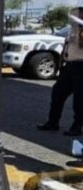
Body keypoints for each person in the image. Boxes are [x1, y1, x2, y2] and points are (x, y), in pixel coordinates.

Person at [38, 7, 83, 136]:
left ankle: (77, 126)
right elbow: (66, 46)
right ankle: (53, 122)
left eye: (75, 15)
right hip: (69, 66)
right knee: (57, 94)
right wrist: (61, 63)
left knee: (79, 99)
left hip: (81, 67)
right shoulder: (71, 31)